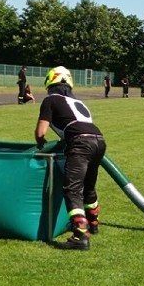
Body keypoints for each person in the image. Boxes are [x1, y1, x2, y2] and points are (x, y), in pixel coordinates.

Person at [35, 66, 107, 251]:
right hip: (99, 140)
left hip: (80, 143)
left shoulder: (50, 100)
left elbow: (41, 132)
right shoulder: (79, 103)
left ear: (50, 83)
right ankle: (93, 223)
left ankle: (80, 235)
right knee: (89, 186)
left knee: (72, 189)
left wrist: (40, 143)